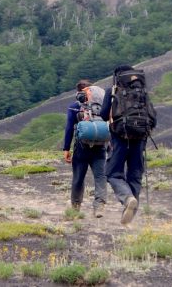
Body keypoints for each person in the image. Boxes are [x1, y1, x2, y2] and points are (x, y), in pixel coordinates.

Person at [100, 64, 153, 225]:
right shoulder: (142, 92)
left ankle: (127, 198)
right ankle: (129, 213)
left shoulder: (113, 91)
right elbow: (153, 117)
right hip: (140, 139)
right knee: (135, 175)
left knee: (113, 173)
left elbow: (103, 115)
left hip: (119, 138)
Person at [62, 79, 107, 217]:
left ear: (78, 92)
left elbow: (69, 128)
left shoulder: (74, 107)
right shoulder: (102, 106)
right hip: (100, 147)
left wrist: (66, 149)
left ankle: (75, 207)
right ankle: (99, 206)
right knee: (100, 177)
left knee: (78, 178)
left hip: (81, 149)